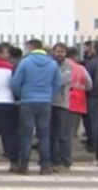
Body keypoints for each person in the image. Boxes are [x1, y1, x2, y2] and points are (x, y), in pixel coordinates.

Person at [10, 39, 61, 175]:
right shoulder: (52, 64)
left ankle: (24, 165)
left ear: (31, 48)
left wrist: (21, 95)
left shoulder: (25, 62)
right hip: (45, 102)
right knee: (44, 135)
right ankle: (45, 165)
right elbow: (57, 83)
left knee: (26, 135)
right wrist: (49, 95)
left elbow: (15, 82)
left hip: (27, 101)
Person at [59, 46, 93, 170]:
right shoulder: (81, 68)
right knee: (68, 134)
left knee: (61, 134)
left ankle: (63, 160)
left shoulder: (63, 67)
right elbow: (89, 85)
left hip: (63, 102)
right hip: (78, 103)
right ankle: (66, 159)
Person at [81, 41, 98, 152]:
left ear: (95, 50)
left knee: (93, 121)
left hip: (93, 95)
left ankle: (95, 144)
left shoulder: (92, 63)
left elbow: (87, 80)